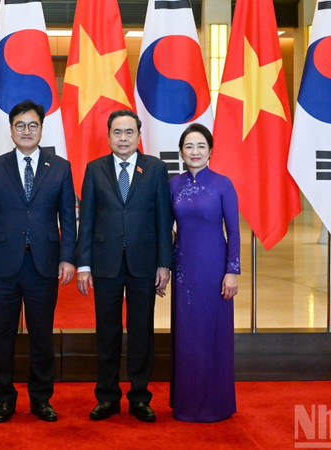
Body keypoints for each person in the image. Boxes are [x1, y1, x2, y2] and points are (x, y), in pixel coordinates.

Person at [0, 100, 77, 423]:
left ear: (41, 129)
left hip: (44, 264)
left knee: (42, 335)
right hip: (3, 264)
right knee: (2, 335)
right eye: (20, 125)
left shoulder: (59, 167)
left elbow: (68, 219)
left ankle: (41, 399)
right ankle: (4, 398)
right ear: (11, 130)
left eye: (33, 125)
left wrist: (68, 257)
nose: (26, 131)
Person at [76, 110, 173, 423]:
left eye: (129, 132)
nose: (123, 138)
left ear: (139, 136)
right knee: (107, 332)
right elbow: (86, 220)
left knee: (142, 332)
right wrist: (83, 264)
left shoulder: (155, 169)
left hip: (144, 264)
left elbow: (164, 219)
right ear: (108, 136)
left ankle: (140, 398)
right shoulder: (94, 169)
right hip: (105, 264)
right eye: (117, 132)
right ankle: (107, 397)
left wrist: (164, 264)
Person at [169, 123, 240, 422]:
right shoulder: (173, 184)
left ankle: (216, 404)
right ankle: (186, 403)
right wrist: (164, 266)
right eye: (189, 146)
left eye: (201, 146)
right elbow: (165, 228)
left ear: (211, 151)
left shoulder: (223, 184)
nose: (195, 151)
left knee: (213, 333)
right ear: (181, 152)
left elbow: (233, 231)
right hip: (184, 271)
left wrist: (232, 271)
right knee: (187, 335)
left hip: (214, 270)